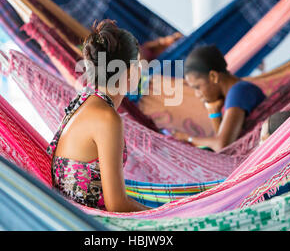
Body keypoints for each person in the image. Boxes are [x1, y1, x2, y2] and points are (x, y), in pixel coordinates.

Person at [48, 19, 150, 212]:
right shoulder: (107, 118)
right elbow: (117, 205)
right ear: (128, 73)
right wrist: (166, 216)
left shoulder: (86, 101)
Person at [173, 45, 266, 152]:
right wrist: (214, 112)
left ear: (213, 76)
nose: (197, 95)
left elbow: (223, 146)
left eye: (197, 87)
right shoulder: (236, 91)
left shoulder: (238, 91)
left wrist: (188, 138)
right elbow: (223, 143)